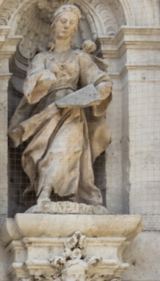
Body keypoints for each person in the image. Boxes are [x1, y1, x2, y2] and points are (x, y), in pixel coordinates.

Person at [8, 4, 112, 211]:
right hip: (47, 112)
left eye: (71, 23)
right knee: (46, 152)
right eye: (63, 21)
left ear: (75, 30)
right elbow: (31, 85)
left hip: (73, 110)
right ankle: (44, 193)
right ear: (54, 25)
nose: (66, 26)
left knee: (66, 148)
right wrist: (43, 79)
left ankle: (53, 194)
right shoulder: (41, 58)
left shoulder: (80, 57)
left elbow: (99, 79)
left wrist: (101, 89)